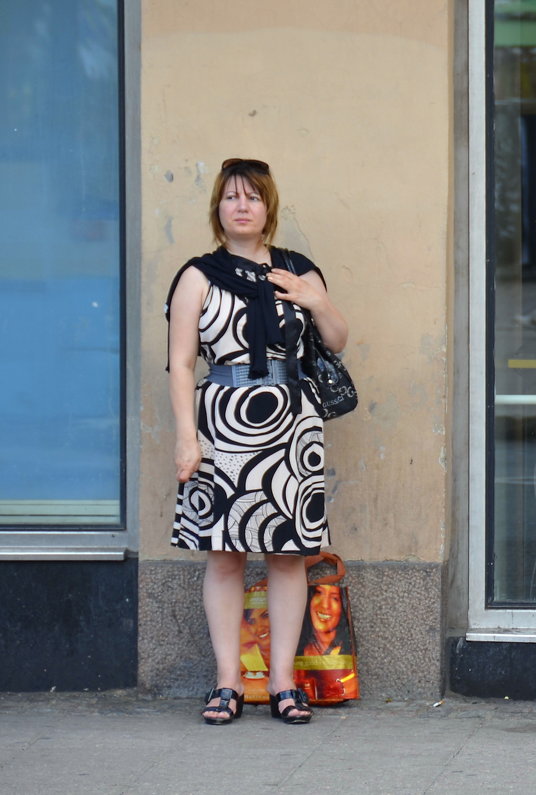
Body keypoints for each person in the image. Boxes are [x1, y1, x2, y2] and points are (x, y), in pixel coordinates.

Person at [166, 157, 349, 725]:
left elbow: (337, 338)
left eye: (252, 197)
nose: (241, 206)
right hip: (222, 421)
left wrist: (313, 299)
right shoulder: (197, 275)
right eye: (230, 197)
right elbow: (179, 362)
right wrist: (186, 440)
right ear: (217, 208)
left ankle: (283, 685)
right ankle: (226, 684)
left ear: (268, 207)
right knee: (224, 557)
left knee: (288, 557)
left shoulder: (297, 269)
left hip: (293, 425)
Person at [295, 583, 359, 702]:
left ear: (343, 606)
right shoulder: (296, 645)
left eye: (335, 598)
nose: (325, 605)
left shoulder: (342, 651)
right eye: (318, 593)